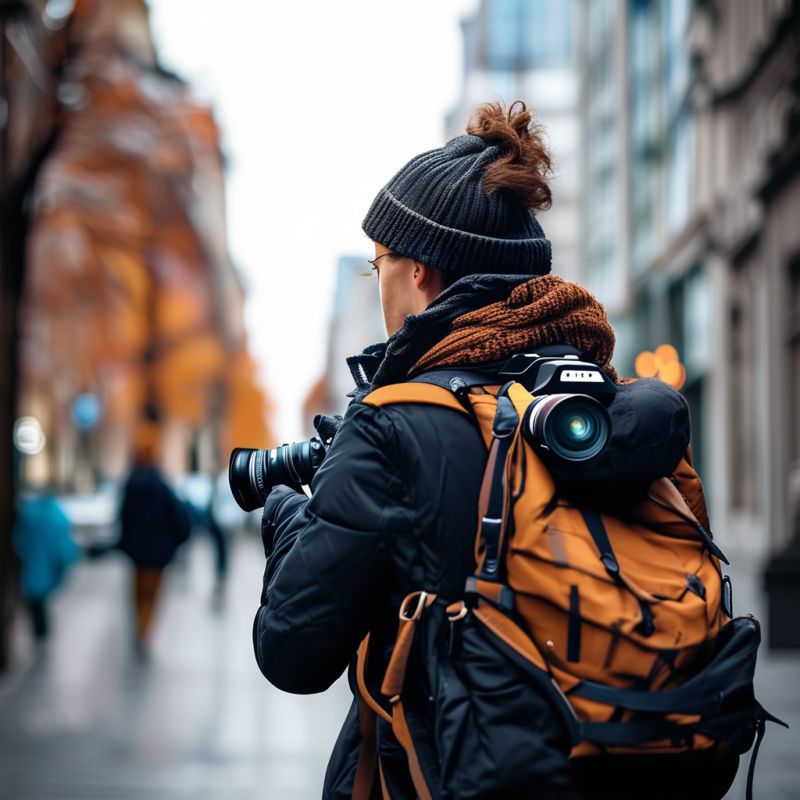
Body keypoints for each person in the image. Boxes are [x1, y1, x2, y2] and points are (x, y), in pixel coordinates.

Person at [253, 103, 735, 799]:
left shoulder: (394, 426)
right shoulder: (601, 405)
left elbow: (292, 653)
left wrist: (288, 520)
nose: (378, 280)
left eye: (377, 264)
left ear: (417, 268)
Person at [118, 421, 190, 654]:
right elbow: (179, 519)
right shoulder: (162, 487)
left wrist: (126, 542)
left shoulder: (130, 486)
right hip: (159, 553)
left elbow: (123, 519)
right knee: (153, 595)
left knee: (138, 592)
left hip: (137, 552)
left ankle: (140, 628)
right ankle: (144, 631)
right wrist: (175, 543)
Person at [13, 486, 80, 644]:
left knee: (35, 598)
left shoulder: (29, 513)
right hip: (47, 565)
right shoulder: (58, 515)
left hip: (32, 564)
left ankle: (40, 634)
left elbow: (18, 539)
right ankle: (41, 634)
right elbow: (65, 546)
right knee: (39, 599)